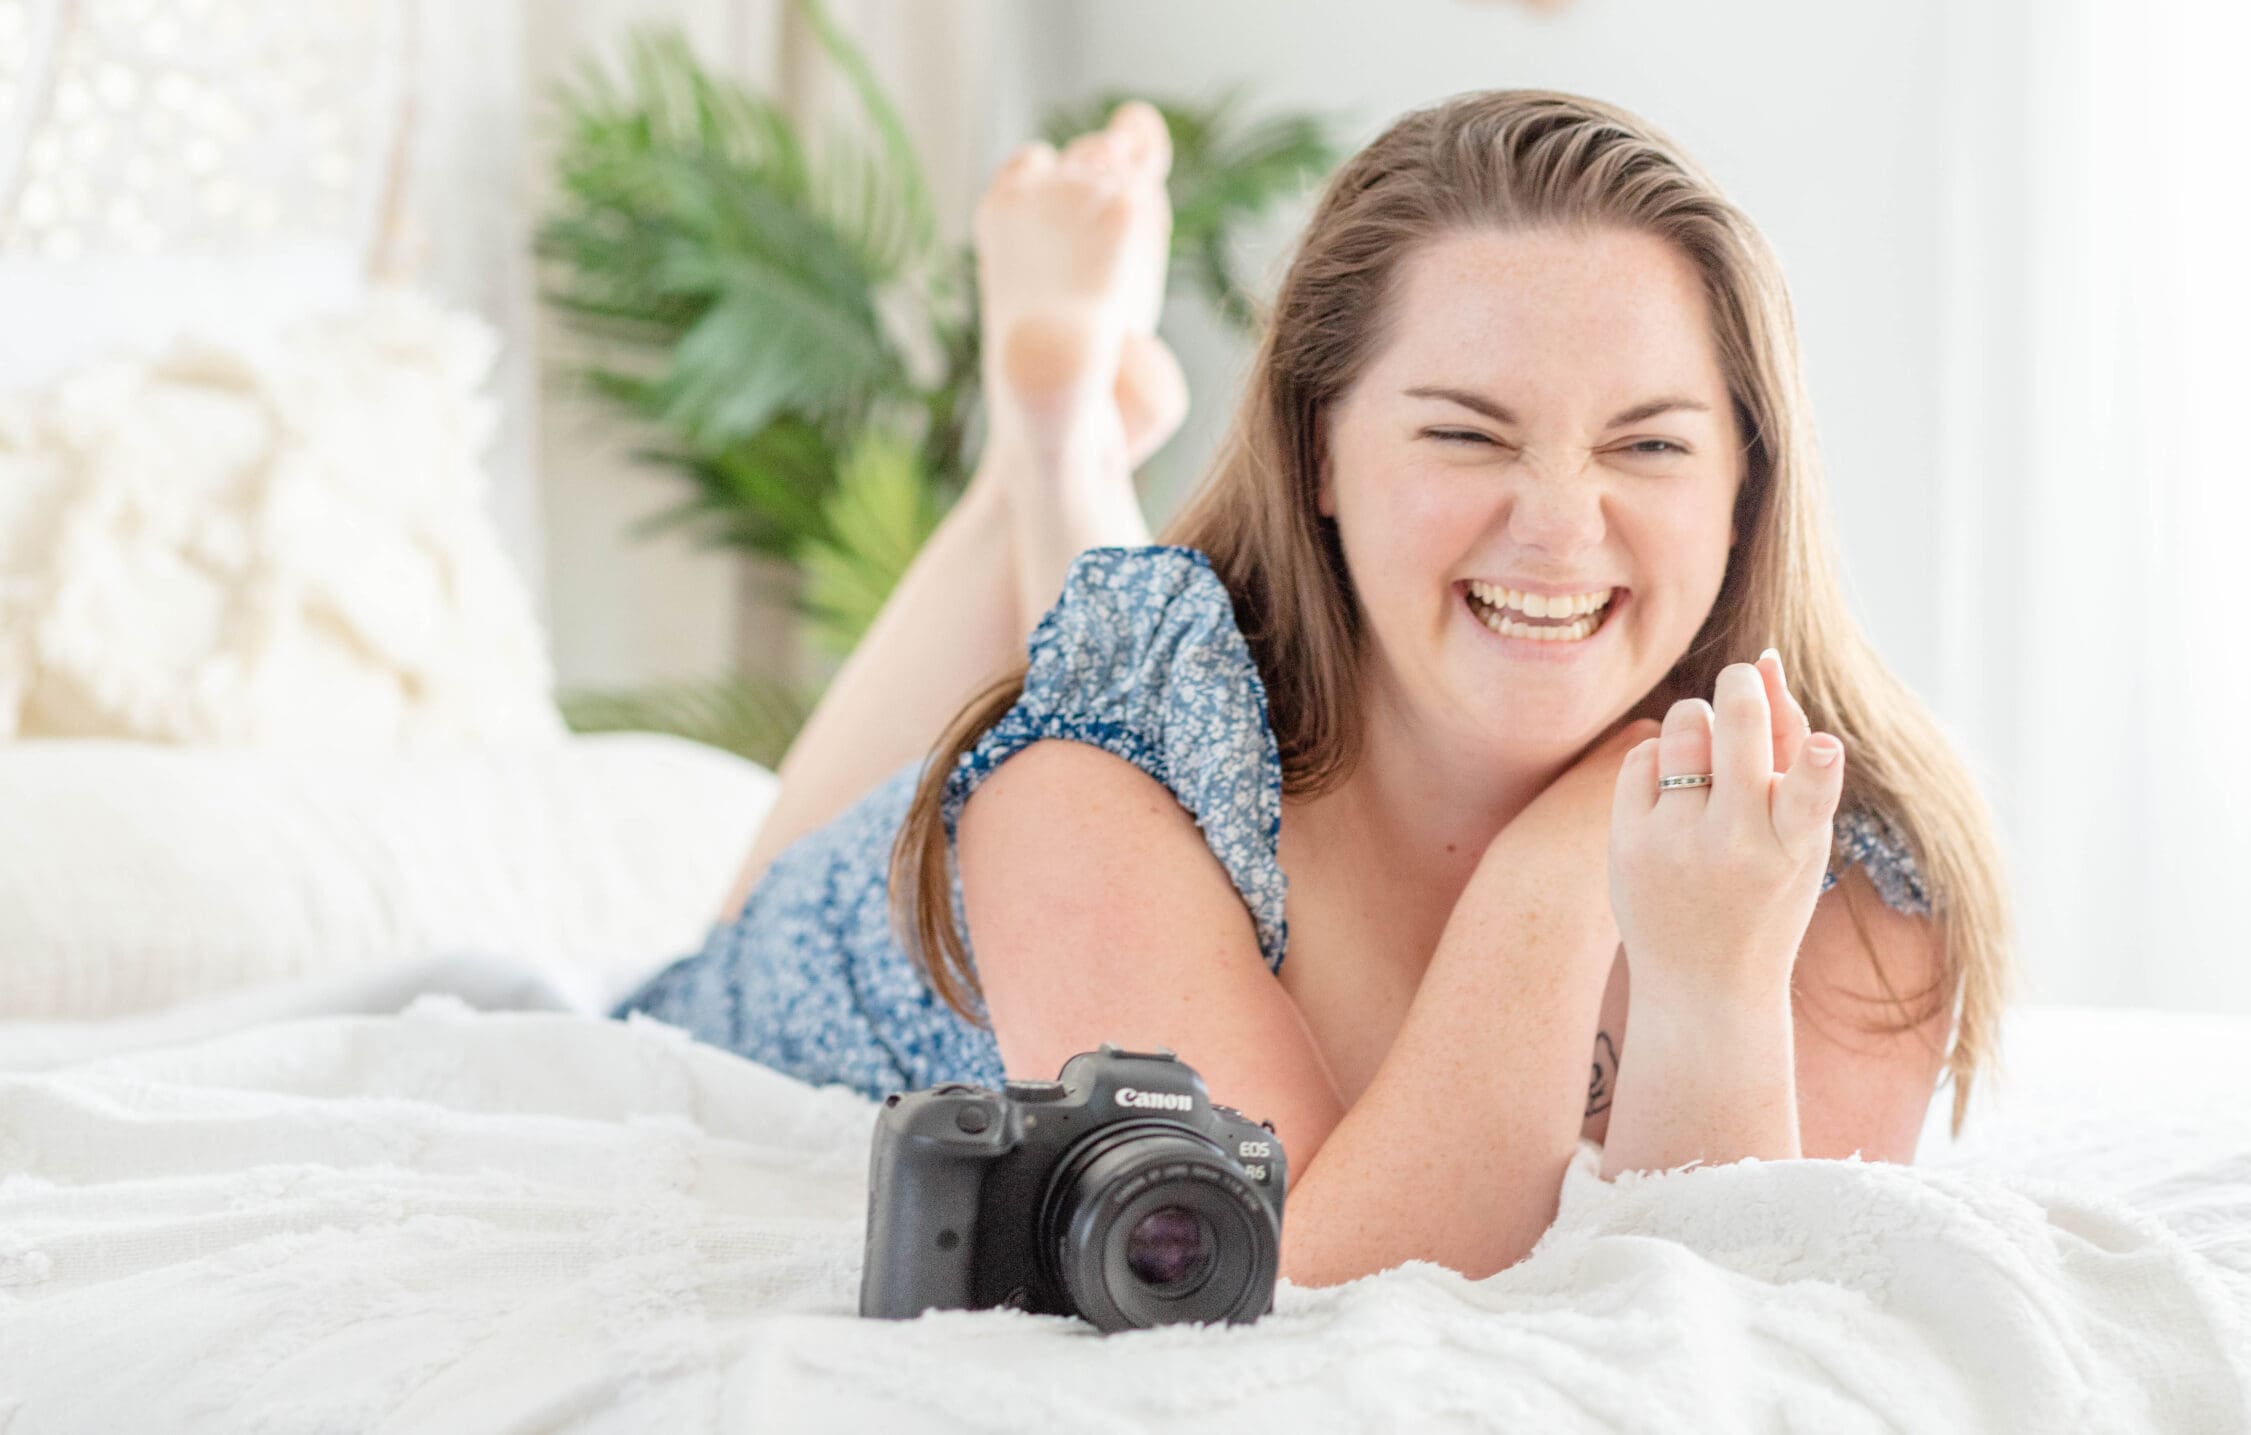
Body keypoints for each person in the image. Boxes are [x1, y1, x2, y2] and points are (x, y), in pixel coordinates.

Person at [613, 89, 2015, 1288]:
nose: (1559, 523)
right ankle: (1042, 460)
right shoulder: (1092, 793)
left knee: (1137, 632)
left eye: (1648, 447)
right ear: (1320, 456)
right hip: (842, 967)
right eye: (1467, 433)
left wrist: (1712, 990)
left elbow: (1712, 1333)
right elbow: (1306, 1283)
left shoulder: (1860, 888)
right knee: (1060, 713)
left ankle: (1054, 449)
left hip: (1212, 727)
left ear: (1744, 491)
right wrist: (1566, 857)